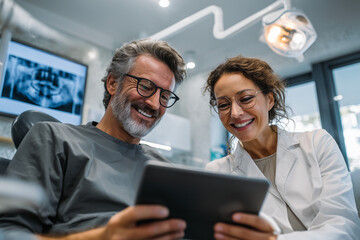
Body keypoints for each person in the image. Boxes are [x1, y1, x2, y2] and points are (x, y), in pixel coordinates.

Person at [0, 39, 187, 240]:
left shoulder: (165, 170)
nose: (154, 103)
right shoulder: (54, 138)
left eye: (165, 96)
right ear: (113, 83)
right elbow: (8, 232)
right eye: (146, 86)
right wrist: (103, 236)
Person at [204, 56, 360, 240]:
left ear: (269, 100)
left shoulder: (317, 143)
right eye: (223, 105)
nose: (235, 113)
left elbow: (345, 226)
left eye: (245, 99)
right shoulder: (217, 173)